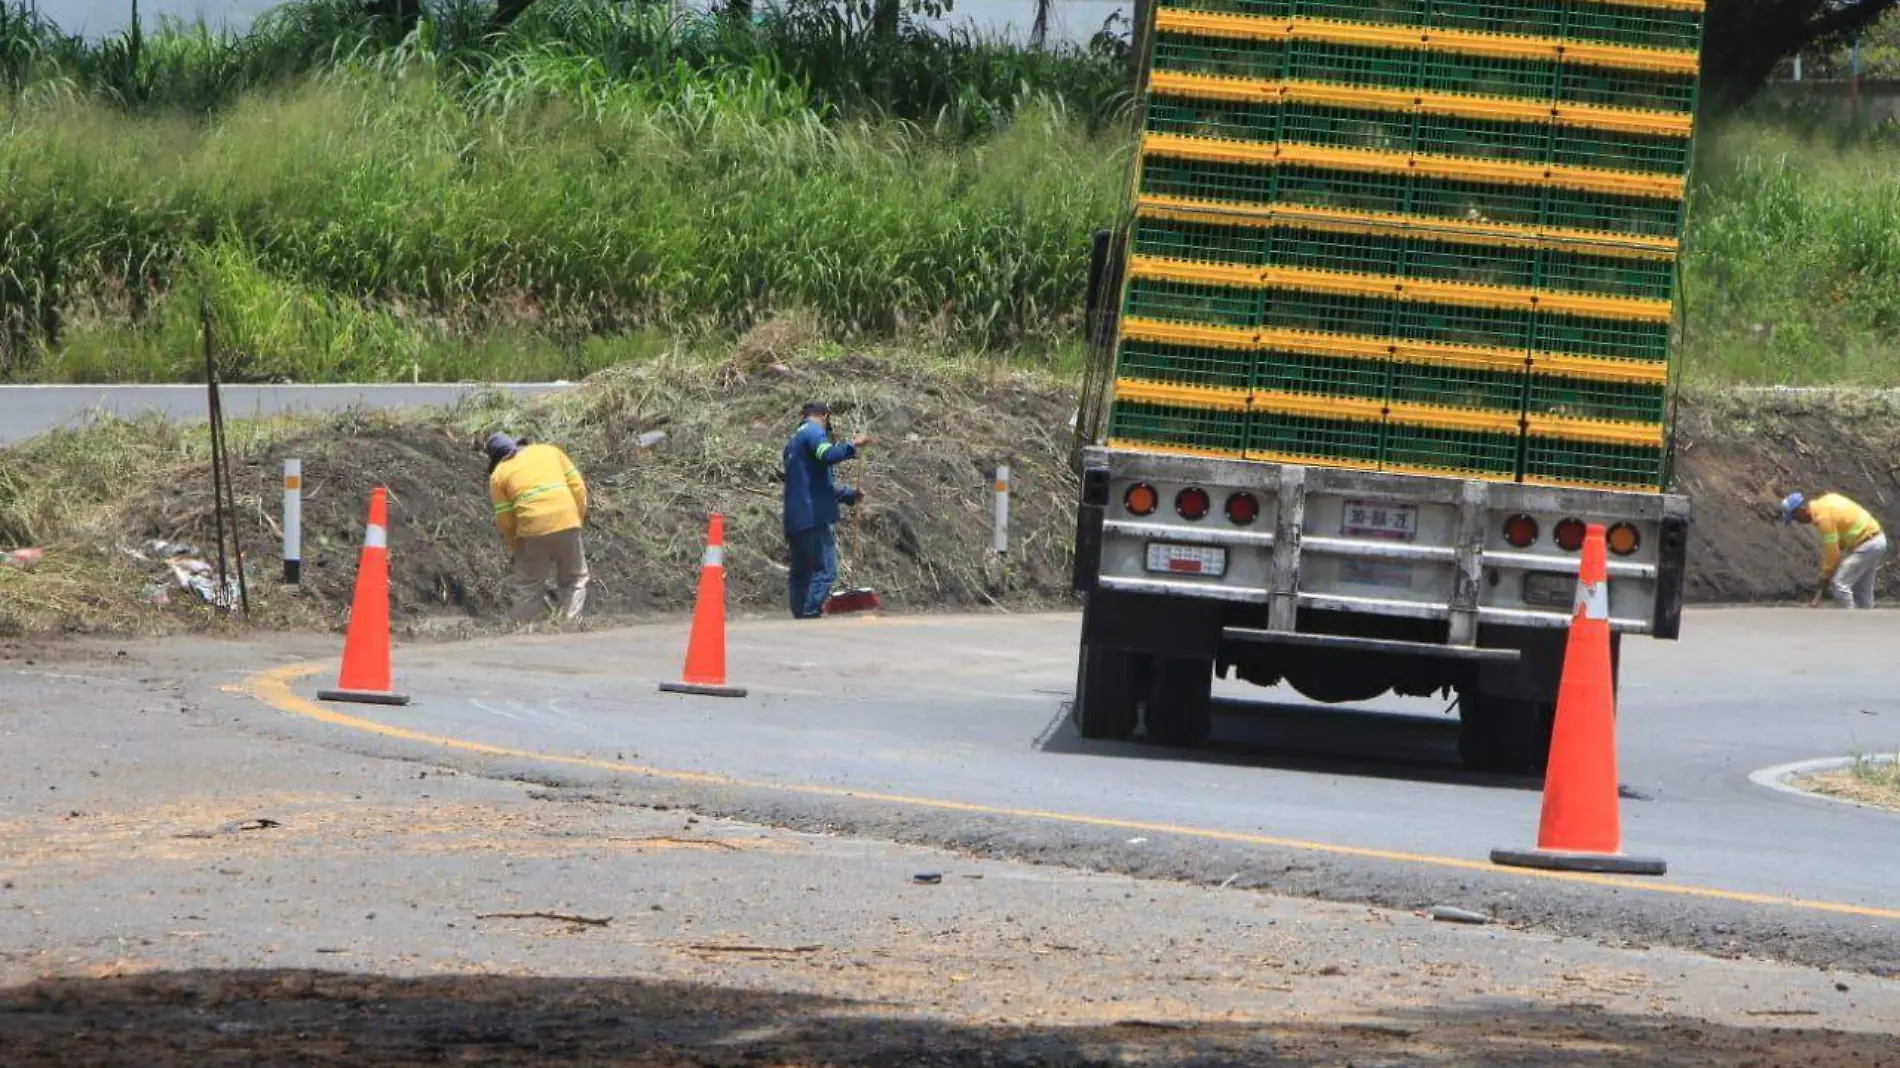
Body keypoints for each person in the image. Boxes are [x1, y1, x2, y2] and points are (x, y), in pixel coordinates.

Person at [487, 432, 591, 624]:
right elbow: (578, 488)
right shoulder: (551, 452)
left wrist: (515, 547)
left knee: (528, 586)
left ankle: (521, 630)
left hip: (531, 529)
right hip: (567, 519)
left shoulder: (499, 474)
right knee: (575, 580)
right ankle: (569, 626)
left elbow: (505, 520)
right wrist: (576, 518)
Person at [782, 402, 870, 619]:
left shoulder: (792, 443)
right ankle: (811, 611)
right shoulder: (814, 432)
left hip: (794, 518)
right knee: (825, 569)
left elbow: (812, 485)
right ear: (824, 416)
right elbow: (827, 454)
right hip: (813, 516)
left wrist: (849, 495)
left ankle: (800, 612)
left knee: (801, 571)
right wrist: (852, 446)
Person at [1781, 491, 1887, 609]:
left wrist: (1824, 578)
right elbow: (1839, 544)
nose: (1798, 521)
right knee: (1862, 591)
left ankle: (1849, 621)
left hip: (1867, 544)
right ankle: (1867, 622)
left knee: (1840, 584)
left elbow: (1833, 555)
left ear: (1801, 510)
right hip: (1875, 539)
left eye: (1795, 517)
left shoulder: (1823, 518)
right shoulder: (1825, 502)